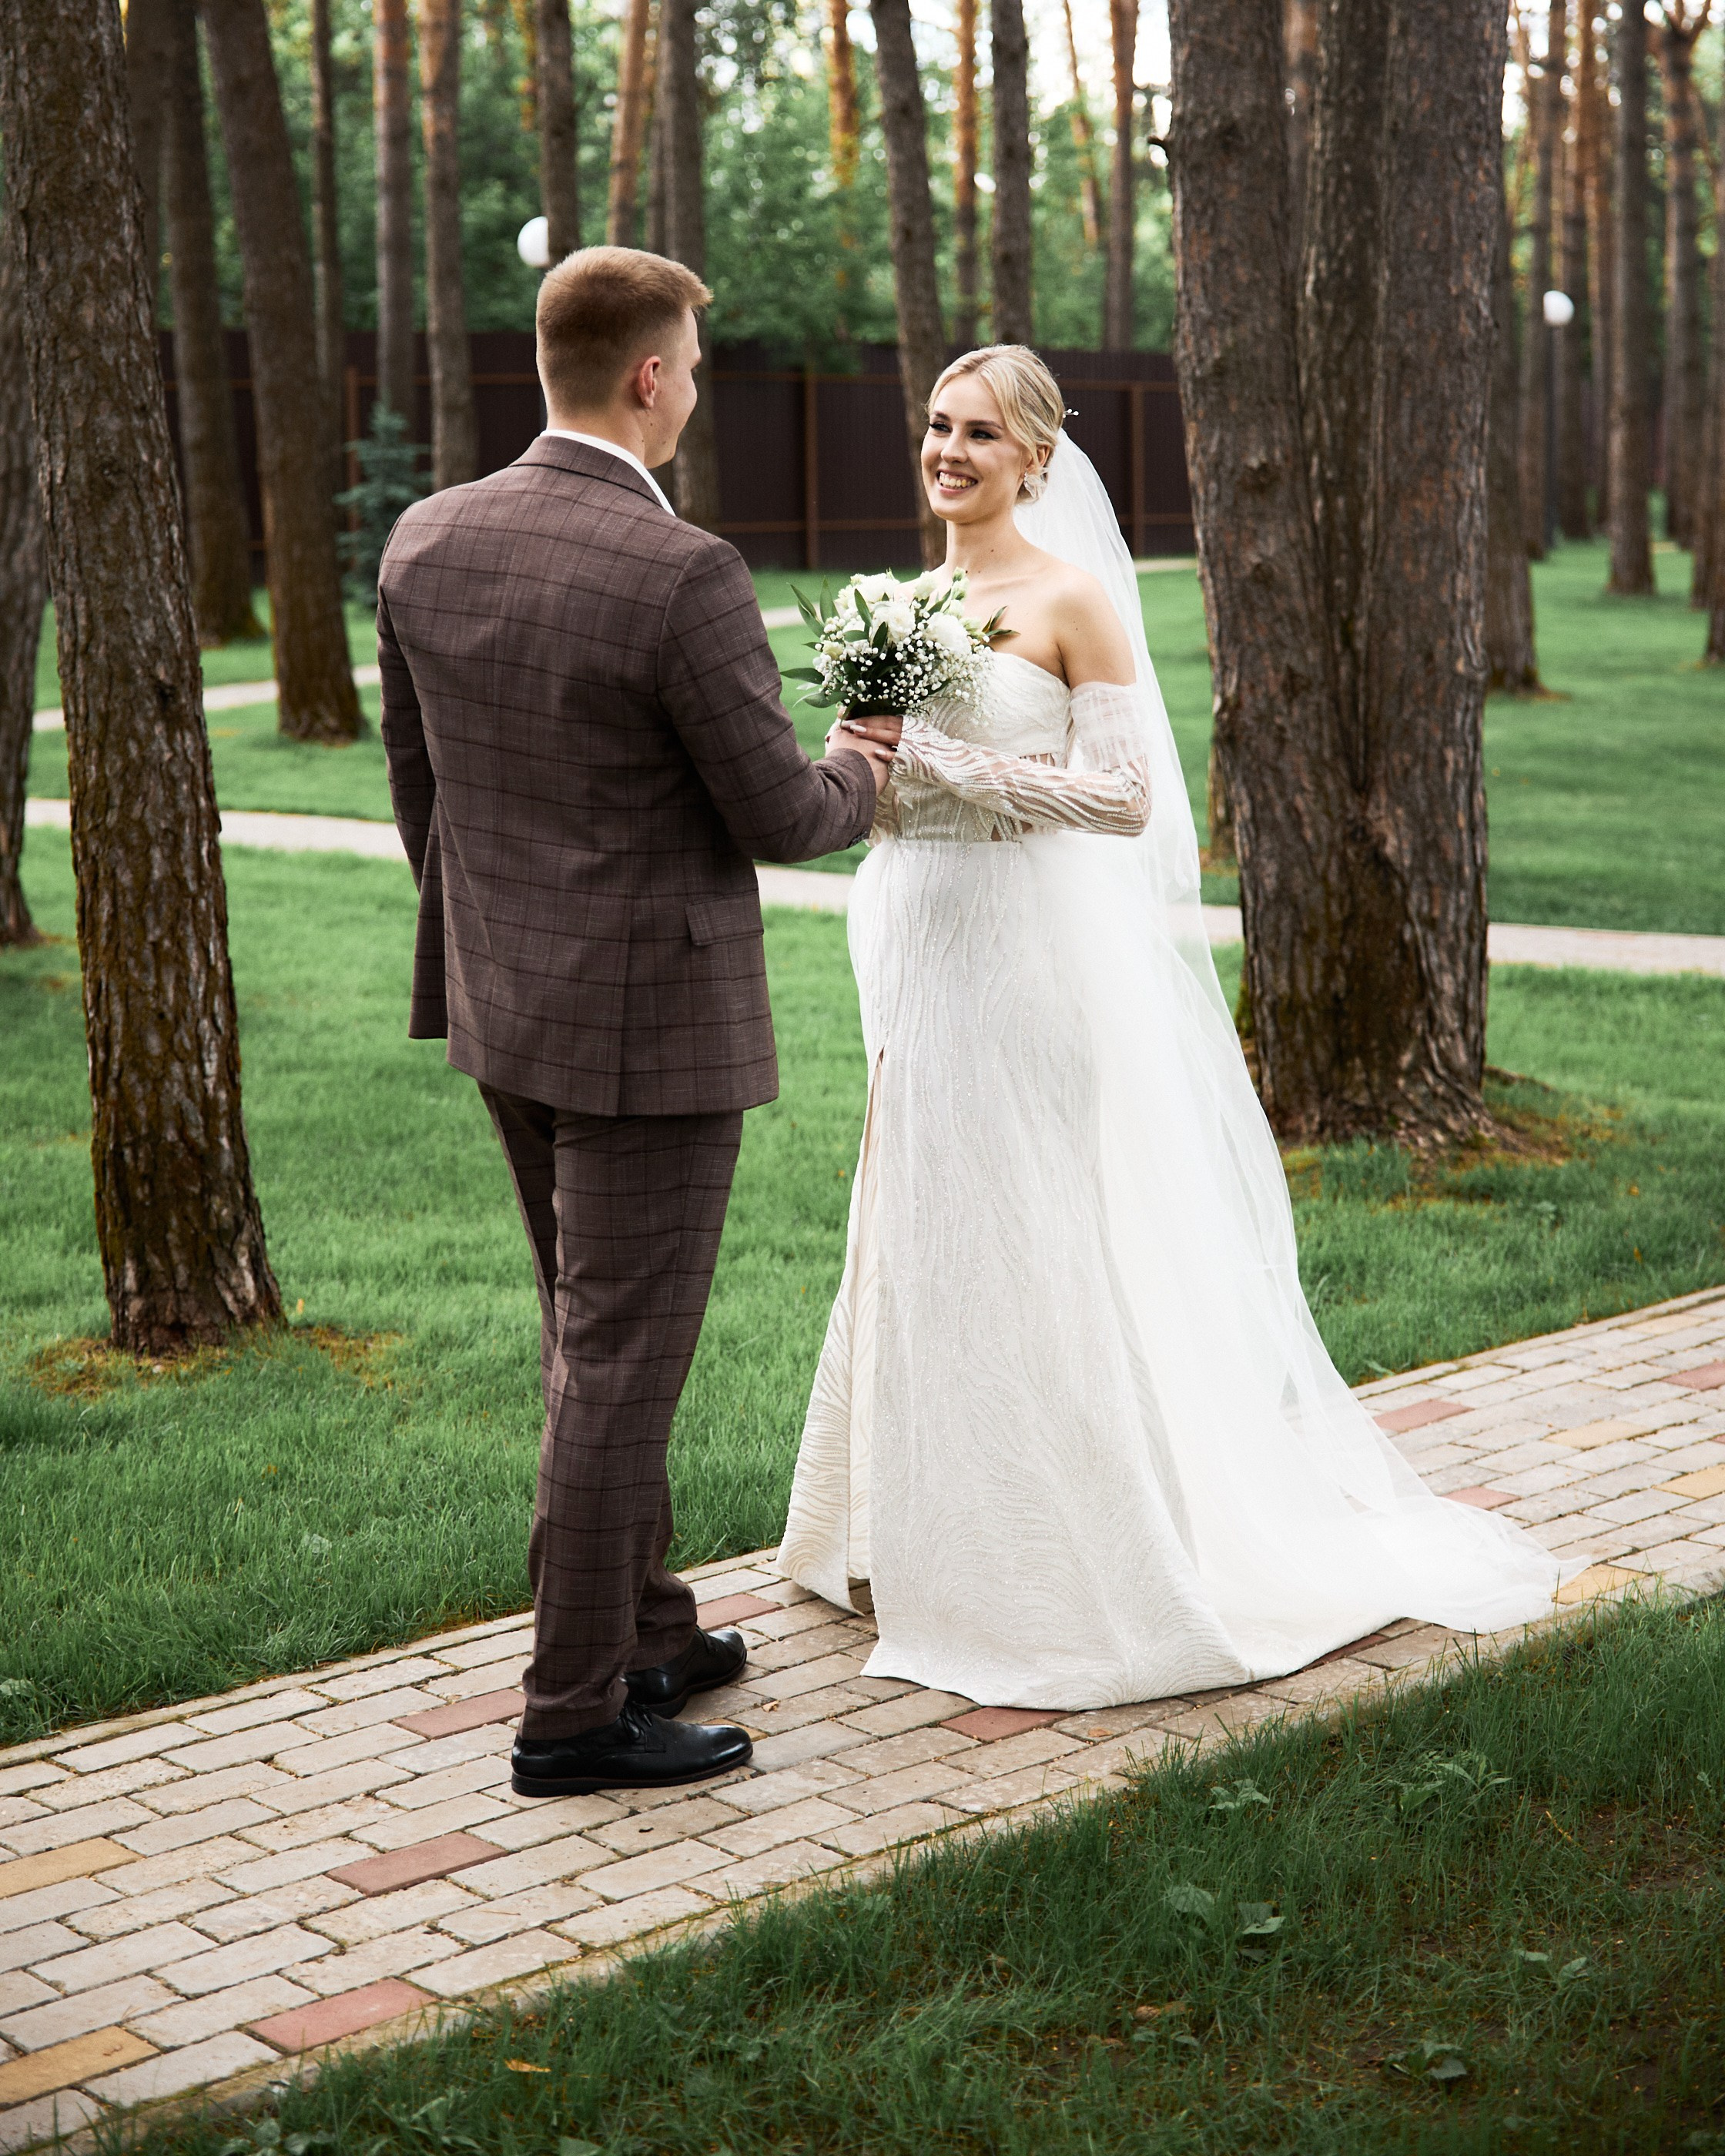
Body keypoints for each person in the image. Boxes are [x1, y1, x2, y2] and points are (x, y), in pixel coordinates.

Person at [779, 344, 1566, 1709]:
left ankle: (1075, 1560)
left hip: (1028, 955)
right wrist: (873, 777)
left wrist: (957, 765)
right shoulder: (901, 602)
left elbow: (1129, 802)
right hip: (918, 939)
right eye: (935, 427)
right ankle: (902, 1532)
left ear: (1035, 458)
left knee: (1033, 1225)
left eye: (976, 434)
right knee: (921, 1215)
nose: (947, 452)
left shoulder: (1077, 596)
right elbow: (880, 792)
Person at [378, 248, 890, 1795]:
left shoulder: (425, 534)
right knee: (613, 1367)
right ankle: (573, 1713)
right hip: (644, 1039)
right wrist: (864, 746)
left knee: (589, 1334)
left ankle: (651, 1626)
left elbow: (424, 794)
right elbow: (786, 814)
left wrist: (491, 952)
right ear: (652, 377)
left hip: (503, 1007)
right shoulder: (684, 573)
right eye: (693, 371)